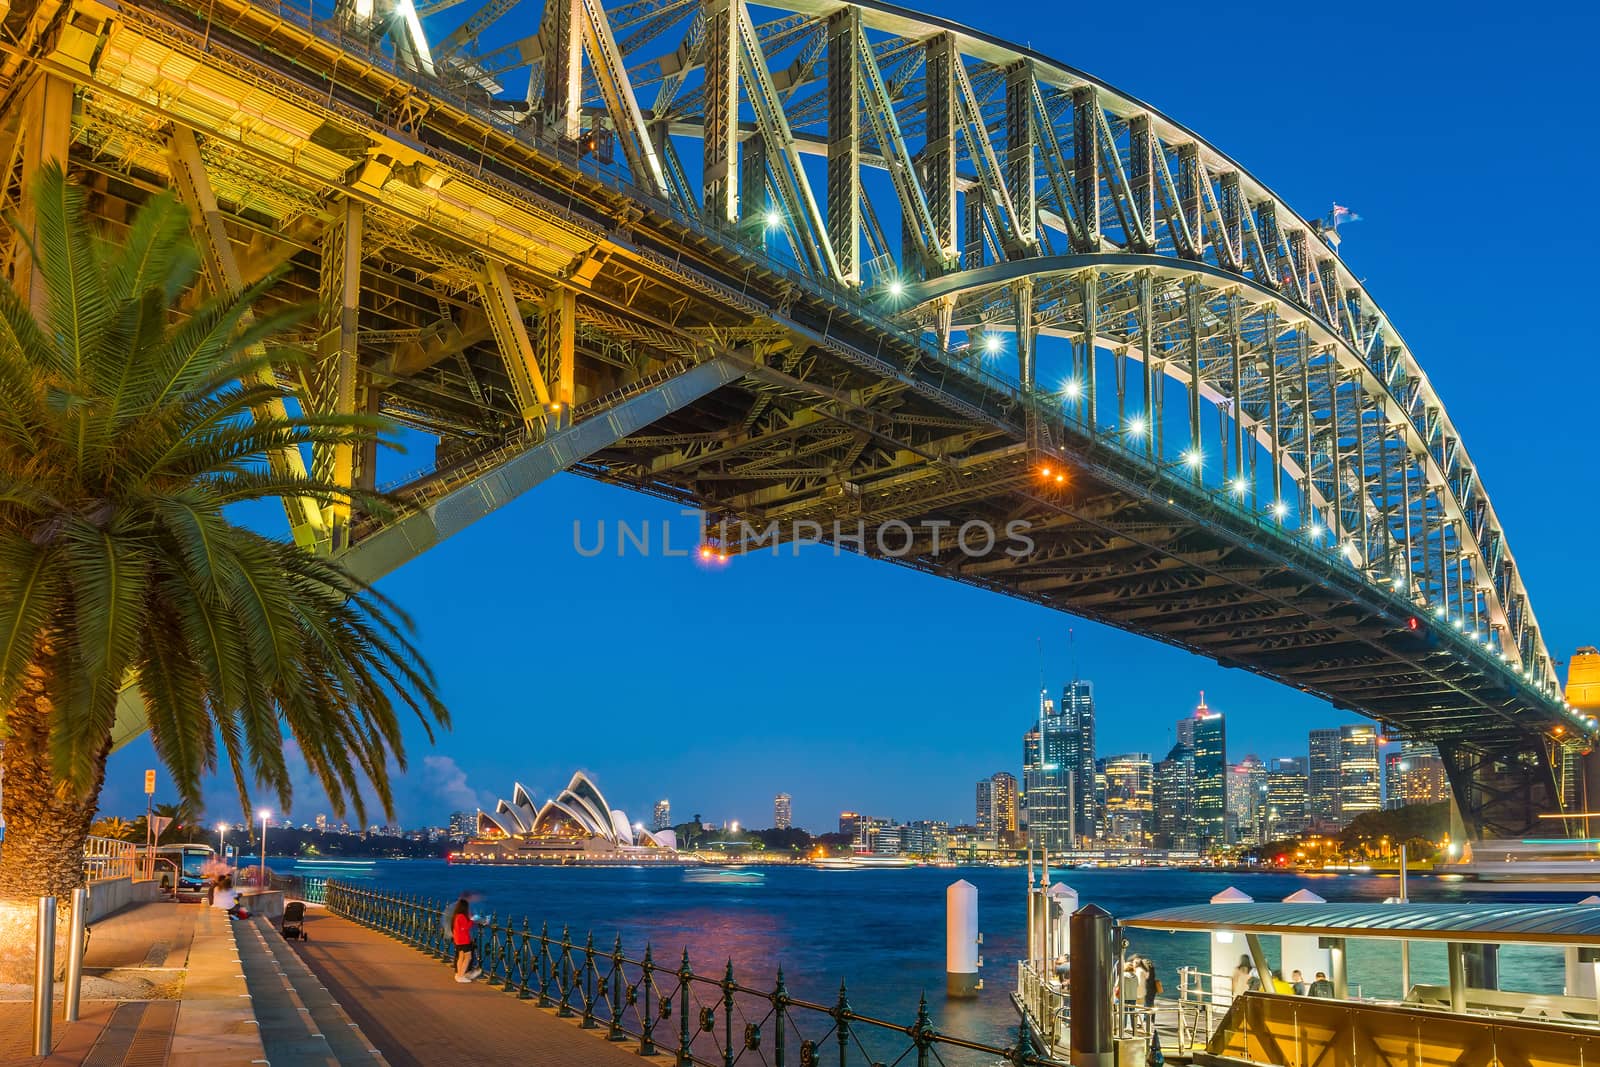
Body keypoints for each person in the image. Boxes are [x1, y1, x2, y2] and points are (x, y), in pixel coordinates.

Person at [450, 896, 482, 983]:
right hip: (464, 940)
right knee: (468, 957)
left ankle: (459, 974)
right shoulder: (461, 916)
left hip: (458, 940)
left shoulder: (456, 916)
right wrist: (472, 920)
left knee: (461, 957)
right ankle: (461, 975)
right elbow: (465, 927)